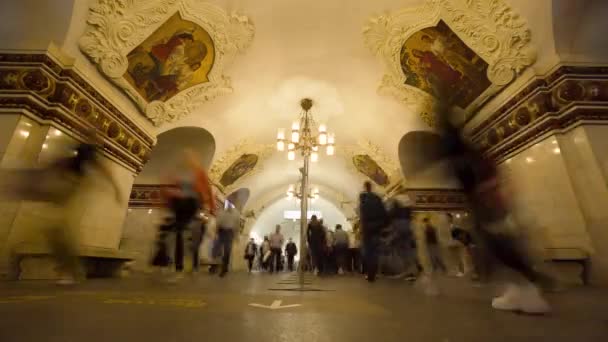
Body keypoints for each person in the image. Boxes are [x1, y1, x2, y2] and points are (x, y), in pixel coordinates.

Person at [435, 97, 551, 313]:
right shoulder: (466, 149)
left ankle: (529, 289)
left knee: (498, 244)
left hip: (484, 199)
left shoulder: (455, 150)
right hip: (485, 197)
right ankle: (520, 288)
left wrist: (483, 193)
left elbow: (467, 171)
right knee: (496, 244)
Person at [0, 127, 123, 284]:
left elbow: (103, 170)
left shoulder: (88, 153)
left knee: (58, 228)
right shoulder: (78, 154)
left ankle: (69, 270)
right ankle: (68, 270)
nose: (92, 137)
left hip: (69, 187)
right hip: (65, 187)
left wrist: (116, 189)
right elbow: (61, 164)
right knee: (54, 227)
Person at [358, 181, 388, 282]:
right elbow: (384, 213)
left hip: (367, 228)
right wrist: (383, 226)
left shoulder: (363, 199)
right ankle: (373, 273)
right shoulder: (377, 198)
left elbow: (362, 215)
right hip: (377, 228)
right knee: (375, 251)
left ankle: (370, 274)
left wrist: (362, 228)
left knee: (368, 251)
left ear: (365, 187)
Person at [215, 205, 240, 277]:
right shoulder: (221, 212)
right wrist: (216, 232)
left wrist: (236, 236)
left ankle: (224, 268)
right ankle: (217, 264)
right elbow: (218, 222)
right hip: (221, 231)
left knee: (227, 251)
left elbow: (237, 226)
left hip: (229, 232)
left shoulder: (236, 213)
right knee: (217, 249)